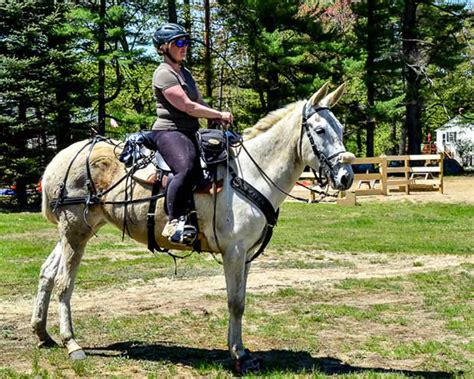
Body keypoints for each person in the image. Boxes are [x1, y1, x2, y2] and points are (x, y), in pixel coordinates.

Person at [151, 23, 233, 244]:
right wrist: (218, 113)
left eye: (185, 42)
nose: (184, 46)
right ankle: (174, 221)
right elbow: (187, 106)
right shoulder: (163, 74)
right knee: (186, 168)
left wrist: (214, 116)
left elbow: (198, 102)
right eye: (178, 42)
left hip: (191, 130)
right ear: (163, 48)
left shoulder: (184, 73)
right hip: (170, 131)